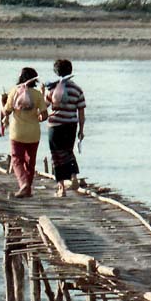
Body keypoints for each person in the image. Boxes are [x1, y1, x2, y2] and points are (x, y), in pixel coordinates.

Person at [1, 67, 48, 198]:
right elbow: (44, 115)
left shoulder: (14, 92)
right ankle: (27, 189)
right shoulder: (37, 94)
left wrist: (1, 102)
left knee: (16, 160)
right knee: (30, 161)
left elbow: (6, 111)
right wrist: (37, 117)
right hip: (33, 133)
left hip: (17, 133)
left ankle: (23, 184)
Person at [45, 59, 86, 197]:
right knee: (68, 152)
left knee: (56, 155)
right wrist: (81, 130)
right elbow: (81, 112)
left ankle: (61, 188)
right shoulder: (77, 90)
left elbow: (44, 106)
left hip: (55, 126)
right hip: (70, 125)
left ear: (56, 73)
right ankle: (74, 176)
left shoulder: (52, 89)